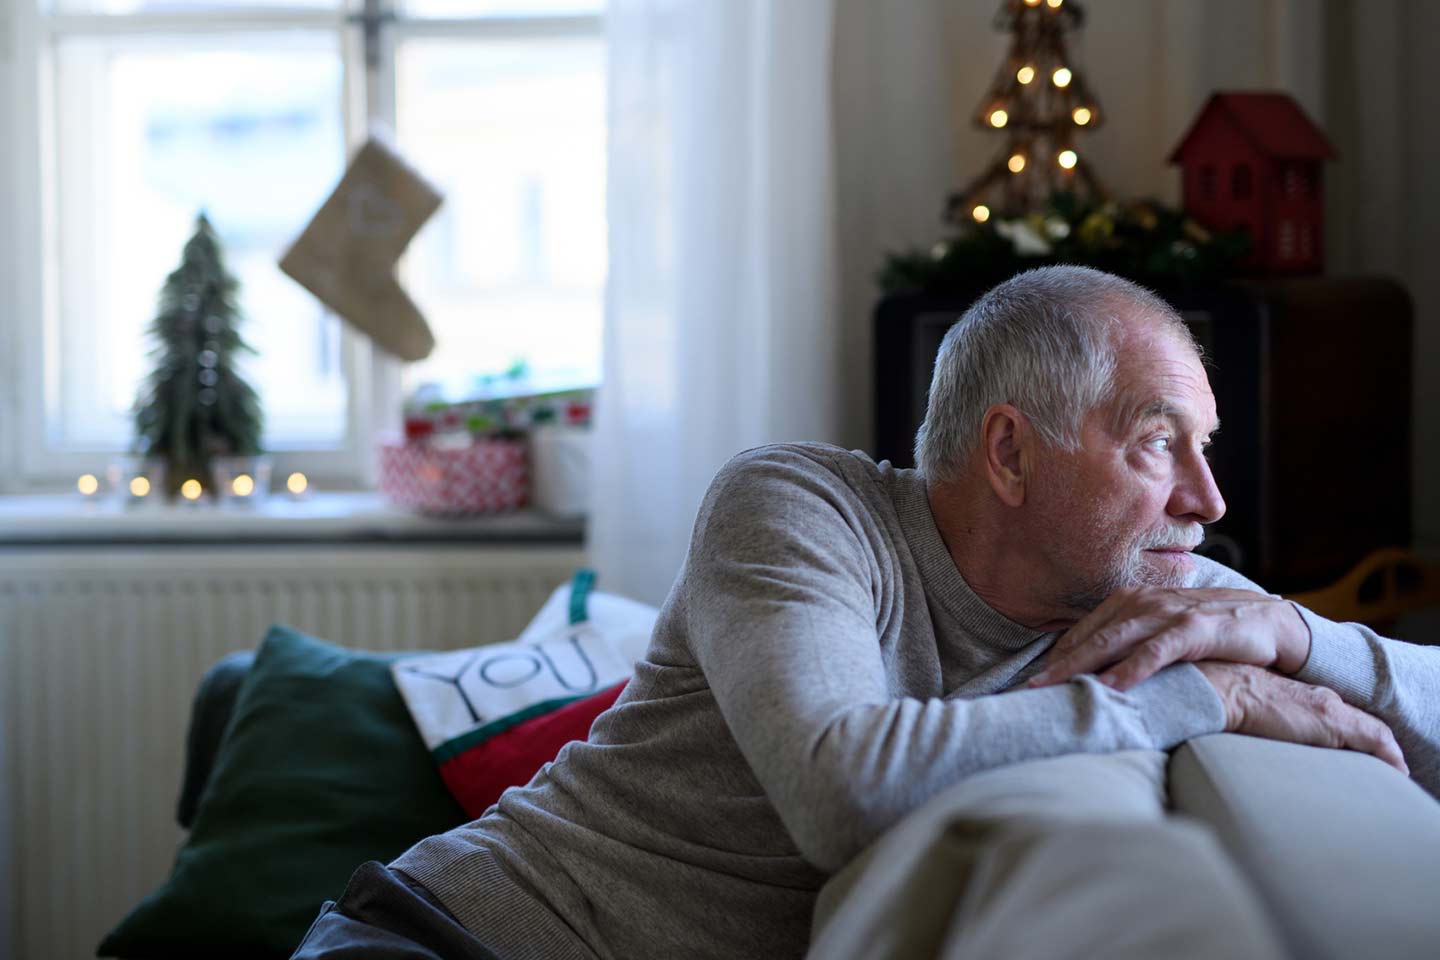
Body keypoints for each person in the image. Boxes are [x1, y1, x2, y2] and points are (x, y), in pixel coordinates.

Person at [292, 265, 1440, 960]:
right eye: (1157, 447)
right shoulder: (798, 506)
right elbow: (844, 786)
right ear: (1009, 452)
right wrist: (1188, 699)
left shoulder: (1153, 588)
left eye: (1208, 449)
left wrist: (1299, 638)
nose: (1210, 498)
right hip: (449, 939)